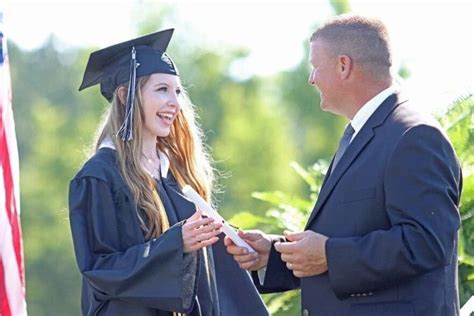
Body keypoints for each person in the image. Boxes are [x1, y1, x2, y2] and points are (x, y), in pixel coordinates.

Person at [225, 14, 462, 316]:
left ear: (343, 66)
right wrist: (274, 254)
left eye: (315, 66)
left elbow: (426, 243)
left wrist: (328, 255)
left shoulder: (414, 136)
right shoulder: (361, 133)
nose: (311, 79)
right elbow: (346, 235)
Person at [69, 29, 268, 316]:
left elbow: (208, 276)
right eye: (162, 89)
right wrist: (176, 244)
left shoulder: (177, 176)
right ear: (125, 95)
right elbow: (99, 269)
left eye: (177, 91)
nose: (175, 103)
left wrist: (232, 244)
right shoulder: (100, 176)